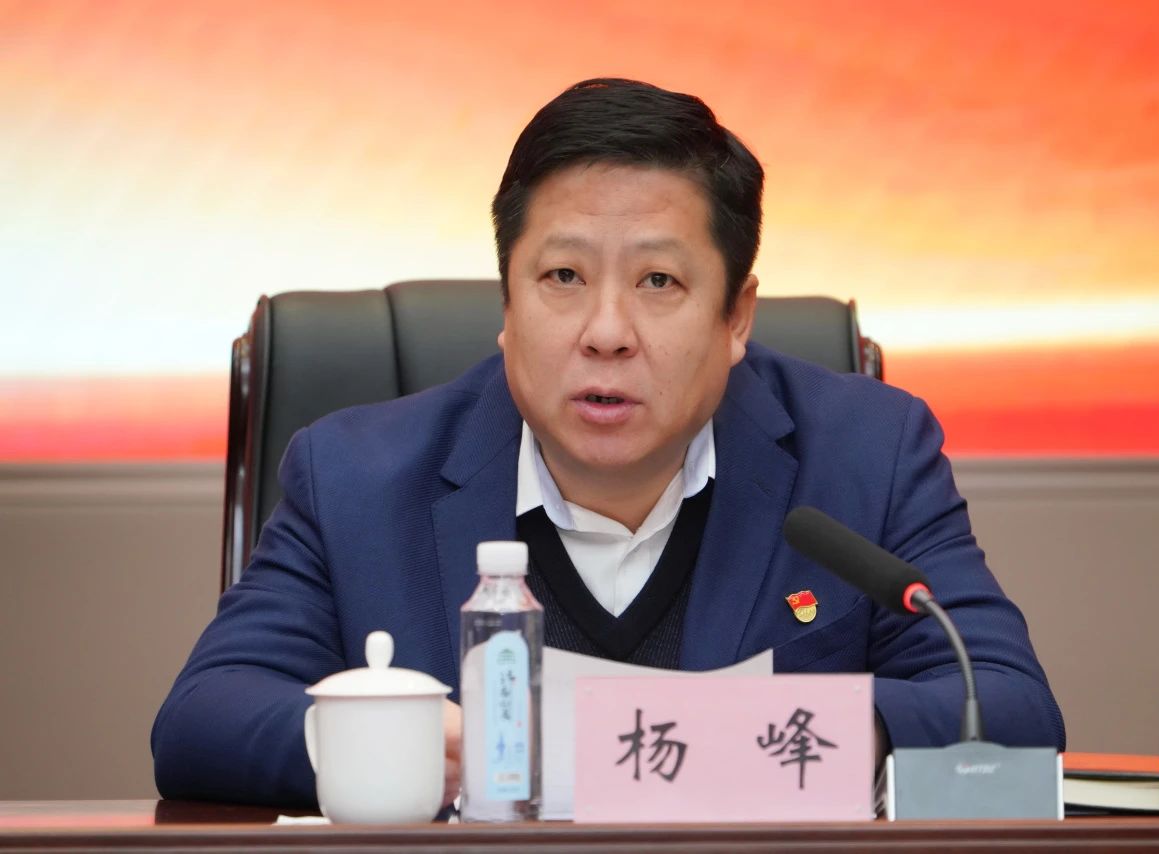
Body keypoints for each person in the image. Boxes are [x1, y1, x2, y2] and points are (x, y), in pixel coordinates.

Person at [152, 78, 1065, 809]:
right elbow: (202, 720)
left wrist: (778, 740)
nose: (606, 332)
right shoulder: (357, 476)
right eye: (562, 276)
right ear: (507, 303)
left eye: (659, 281)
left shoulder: (866, 454)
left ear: (736, 316)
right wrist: (386, 745)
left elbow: (1008, 705)